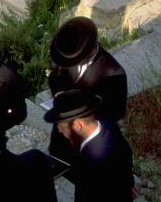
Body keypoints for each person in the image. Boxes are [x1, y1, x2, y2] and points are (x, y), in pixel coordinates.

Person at [47, 16, 128, 168]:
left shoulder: (113, 74)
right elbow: (54, 78)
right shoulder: (66, 54)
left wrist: (83, 112)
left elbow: (116, 113)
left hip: (87, 144)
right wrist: (58, 93)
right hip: (61, 137)